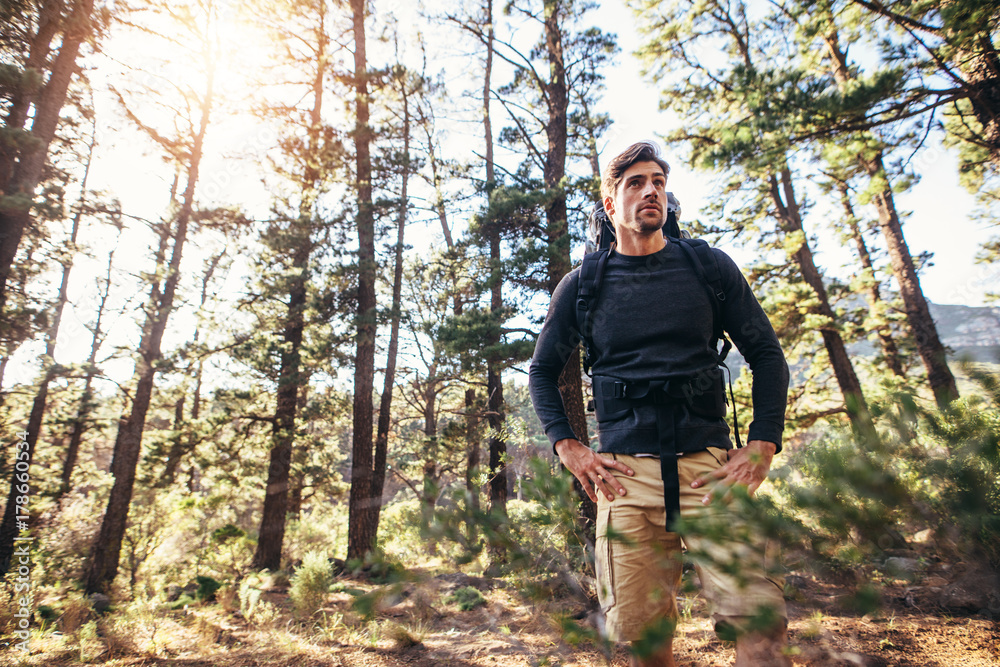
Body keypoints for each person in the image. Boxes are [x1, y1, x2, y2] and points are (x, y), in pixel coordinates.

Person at [528, 141, 791, 667]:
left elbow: (766, 354)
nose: (652, 191)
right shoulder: (584, 286)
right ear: (610, 203)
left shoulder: (709, 268)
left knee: (761, 629)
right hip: (626, 481)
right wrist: (570, 448)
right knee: (647, 647)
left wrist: (762, 442)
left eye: (659, 182)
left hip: (711, 476)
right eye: (636, 182)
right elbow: (541, 371)